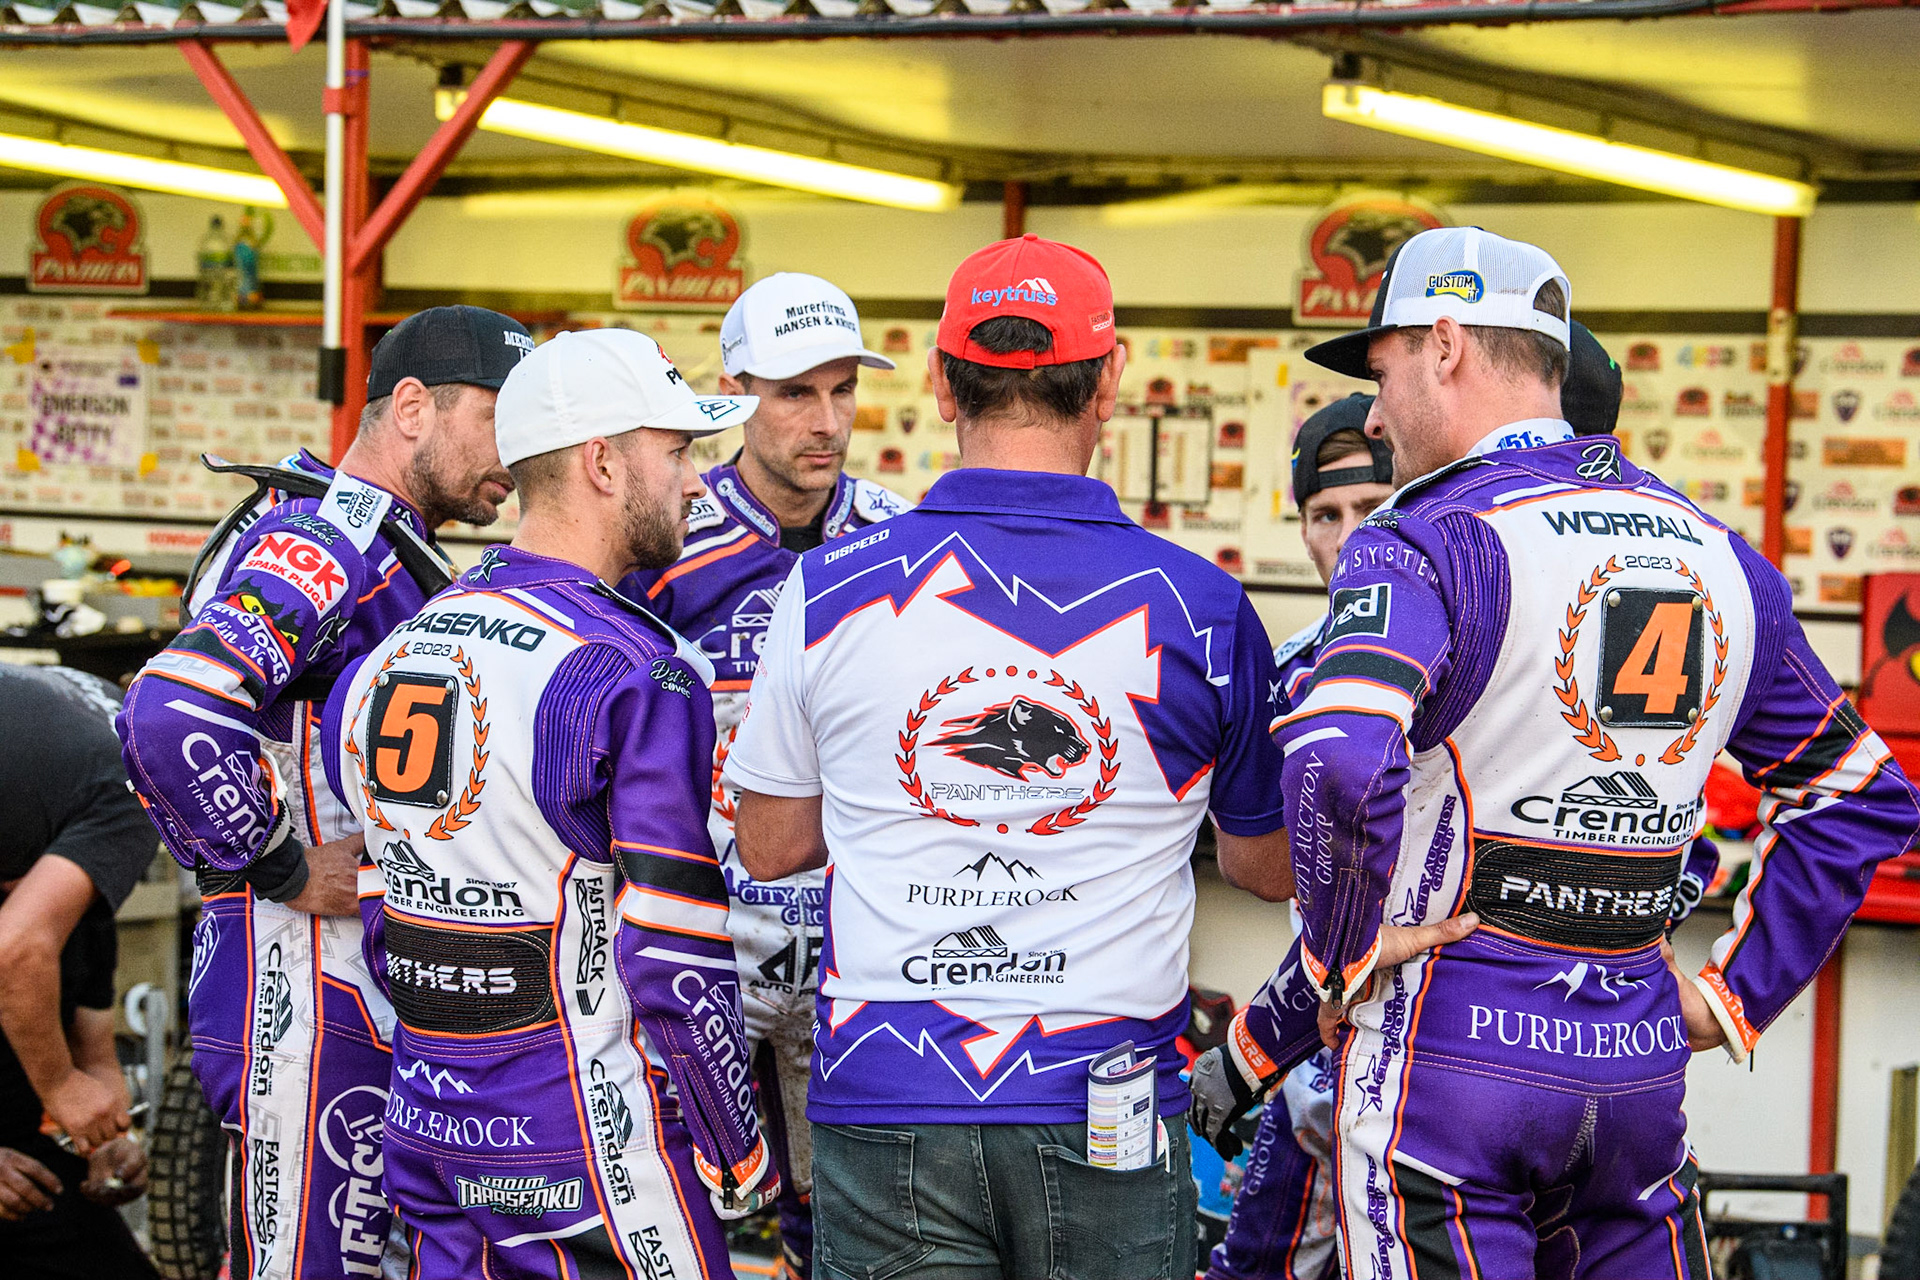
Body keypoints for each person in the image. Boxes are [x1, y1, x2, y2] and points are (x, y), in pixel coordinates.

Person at [1278, 225, 1920, 1278]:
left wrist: (1339, 954)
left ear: (1445, 344)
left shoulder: (1421, 537)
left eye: (1383, 370)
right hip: (1634, 1071)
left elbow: (1340, 761)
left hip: (1444, 1069)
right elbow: (1860, 795)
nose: (1376, 412)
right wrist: (1729, 996)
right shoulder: (1717, 551)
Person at [717, 233, 1291, 1280]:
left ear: (938, 381)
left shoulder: (826, 589)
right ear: (1111, 381)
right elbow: (1266, 867)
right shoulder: (1202, 606)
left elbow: (769, 842)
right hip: (1109, 1091)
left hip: (887, 1090)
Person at [1200, 325, 1720, 1280]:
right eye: (1326, 511)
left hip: (1432, 1061)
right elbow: (1274, 867)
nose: (1352, 530)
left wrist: (1246, 1047)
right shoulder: (1307, 663)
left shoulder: (1494, 591)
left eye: (1370, 498)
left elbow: (1691, 857)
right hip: (1374, 1051)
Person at [327, 328, 777, 1280]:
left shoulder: (391, 651)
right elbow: (672, 946)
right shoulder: (634, 670)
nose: (697, 483)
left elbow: (383, 896)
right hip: (585, 1141)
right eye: (679, 451)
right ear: (603, 462)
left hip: (427, 1120)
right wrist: (737, 1146)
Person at [117, 305, 532, 1280]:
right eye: (498, 418)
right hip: (299, 997)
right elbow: (170, 712)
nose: (515, 456)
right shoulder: (324, 534)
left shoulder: (388, 543)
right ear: (417, 408)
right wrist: (282, 862)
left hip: (356, 991)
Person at [621, 272, 910, 1279]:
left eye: (842, 390)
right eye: (795, 393)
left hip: (852, 945)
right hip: (696, 941)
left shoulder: (902, 536)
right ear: (736, 387)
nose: (826, 421)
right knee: (675, 1196)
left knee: (835, 1218)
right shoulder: (663, 534)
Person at [0, 666, 159, 1280]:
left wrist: (103, 1139)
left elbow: (92, 1049)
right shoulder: (133, 781)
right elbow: (18, 948)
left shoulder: (70, 855)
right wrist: (63, 1088)